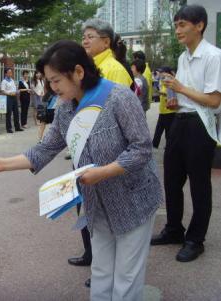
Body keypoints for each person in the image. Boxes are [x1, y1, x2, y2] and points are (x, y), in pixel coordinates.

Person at [0, 40, 161, 300]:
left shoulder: (119, 98)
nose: (52, 89)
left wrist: (102, 172)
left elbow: (142, 149)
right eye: (48, 82)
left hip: (134, 200)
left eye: (56, 81)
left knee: (126, 277)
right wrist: (3, 164)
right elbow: (45, 149)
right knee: (100, 271)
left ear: (78, 72)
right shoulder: (65, 107)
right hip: (98, 203)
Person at [151, 5, 221, 262]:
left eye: (182, 24)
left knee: (199, 184)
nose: (177, 30)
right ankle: (173, 229)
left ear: (199, 25)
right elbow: (186, 94)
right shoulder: (183, 57)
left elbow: (214, 101)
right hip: (178, 120)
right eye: (176, 25)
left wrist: (180, 87)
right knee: (171, 179)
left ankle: (195, 239)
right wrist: (174, 98)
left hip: (200, 125)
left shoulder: (214, 56)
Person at [74, 18, 134, 283]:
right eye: (84, 36)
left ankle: (101, 267)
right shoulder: (90, 68)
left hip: (105, 156)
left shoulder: (113, 69)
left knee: (103, 212)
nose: (85, 40)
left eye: (91, 36)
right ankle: (92, 257)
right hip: (86, 150)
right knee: (88, 208)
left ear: (106, 41)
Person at [82, 18, 133, 88]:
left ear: (106, 42)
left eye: (90, 37)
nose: (85, 42)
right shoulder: (86, 67)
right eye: (83, 38)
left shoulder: (116, 71)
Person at [152, 67, 176, 148]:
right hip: (163, 110)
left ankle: (168, 145)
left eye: (162, 72)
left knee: (167, 130)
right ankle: (154, 145)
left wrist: (162, 93)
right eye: (160, 72)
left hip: (169, 111)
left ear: (167, 73)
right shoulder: (163, 81)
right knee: (159, 129)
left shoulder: (170, 82)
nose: (160, 73)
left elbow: (173, 95)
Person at [0, 68, 23, 133]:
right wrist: (9, 93)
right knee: (9, 113)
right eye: (9, 72)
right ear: (5, 73)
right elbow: (2, 91)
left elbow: (14, 89)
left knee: (16, 113)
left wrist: (16, 92)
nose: (10, 74)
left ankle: (17, 127)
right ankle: (9, 128)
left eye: (11, 72)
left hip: (14, 97)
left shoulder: (12, 80)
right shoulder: (4, 81)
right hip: (8, 98)